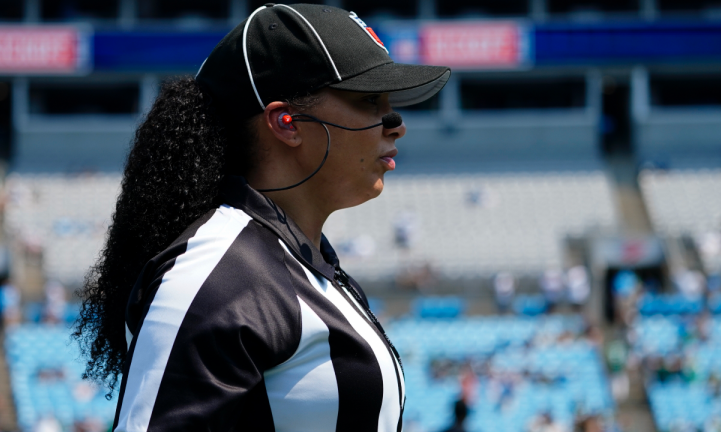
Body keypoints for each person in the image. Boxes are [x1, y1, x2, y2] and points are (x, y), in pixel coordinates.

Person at [72, 4, 450, 432]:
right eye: (368, 100)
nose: (394, 124)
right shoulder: (215, 275)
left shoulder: (296, 262)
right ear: (286, 122)